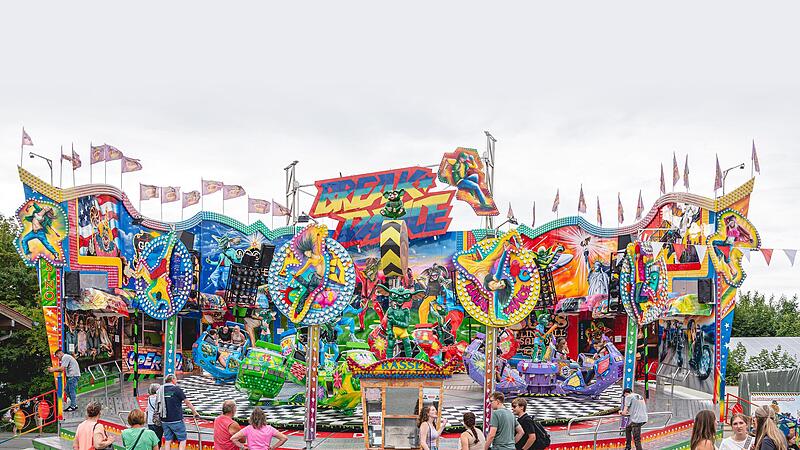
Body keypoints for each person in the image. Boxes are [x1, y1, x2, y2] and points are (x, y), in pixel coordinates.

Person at [157, 374, 199, 450]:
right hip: (176, 419)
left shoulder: (160, 389)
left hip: (164, 419)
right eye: (176, 379)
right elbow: (187, 402)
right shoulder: (177, 389)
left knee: (167, 440)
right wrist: (194, 412)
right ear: (173, 379)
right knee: (182, 439)